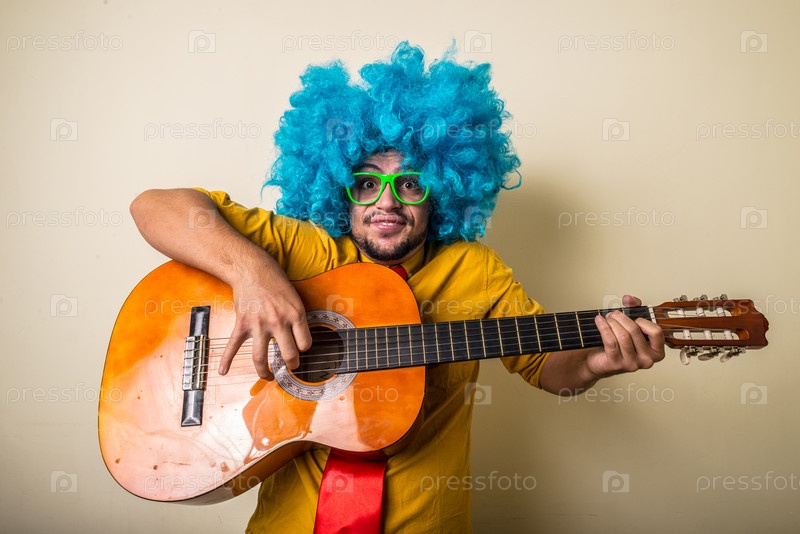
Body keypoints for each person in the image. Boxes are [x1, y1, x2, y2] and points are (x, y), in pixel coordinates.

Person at [130, 42, 664, 533]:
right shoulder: (303, 251)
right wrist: (254, 276)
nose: (386, 202)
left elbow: (546, 368)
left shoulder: (475, 270)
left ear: (444, 189)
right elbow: (154, 206)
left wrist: (595, 364)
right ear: (339, 190)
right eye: (366, 183)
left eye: (409, 182)